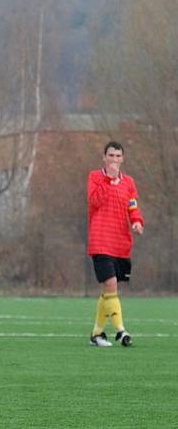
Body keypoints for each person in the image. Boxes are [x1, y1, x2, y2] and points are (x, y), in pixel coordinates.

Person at [87, 141, 144, 347]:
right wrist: (108, 180)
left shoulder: (129, 182)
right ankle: (121, 331)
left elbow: (133, 206)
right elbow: (94, 201)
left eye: (118, 156)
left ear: (123, 159)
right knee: (111, 285)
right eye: (110, 156)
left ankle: (97, 333)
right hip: (100, 240)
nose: (114, 160)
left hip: (120, 242)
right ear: (104, 157)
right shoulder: (95, 177)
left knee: (108, 290)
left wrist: (137, 221)